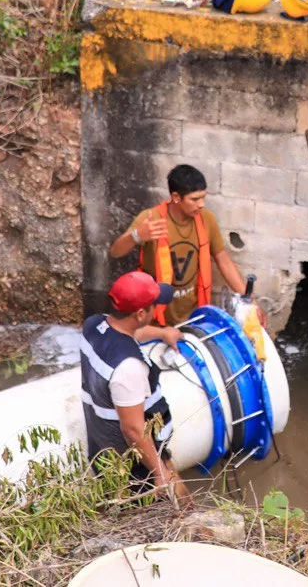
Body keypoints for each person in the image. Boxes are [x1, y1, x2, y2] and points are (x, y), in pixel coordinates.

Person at [80, 271, 189, 501]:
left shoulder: (95, 324)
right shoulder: (129, 368)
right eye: (153, 306)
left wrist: (161, 332)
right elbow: (133, 429)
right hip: (137, 466)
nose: (156, 309)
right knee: (182, 508)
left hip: (103, 448)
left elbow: (131, 333)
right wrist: (159, 473)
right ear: (141, 313)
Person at [110, 164, 248, 328]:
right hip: (153, 320)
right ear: (176, 197)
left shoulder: (206, 219)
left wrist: (248, 301)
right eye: (195, 199)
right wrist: (137, 236)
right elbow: (116, 252)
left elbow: (223, 261)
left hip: (194, 318)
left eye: (203, 197)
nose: (201, 204)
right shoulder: (151, 219)